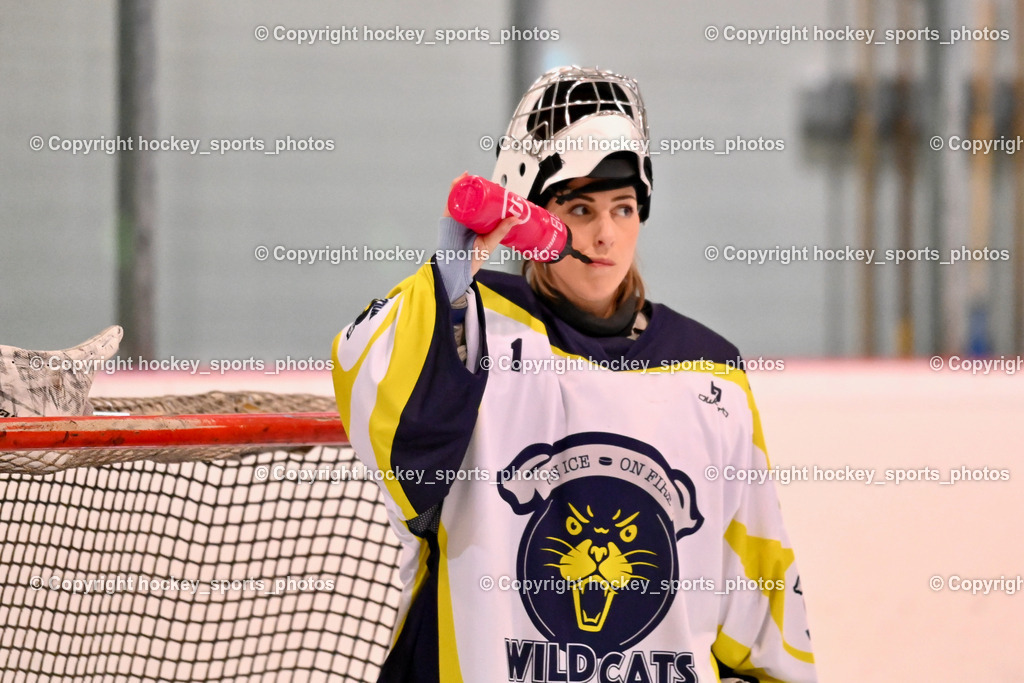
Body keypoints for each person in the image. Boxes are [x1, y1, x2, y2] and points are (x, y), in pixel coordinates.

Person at [332, 66, 817, 683]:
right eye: (580, 208)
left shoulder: (708, 372)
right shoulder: (474, 328)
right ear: (536, 221)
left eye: (623, 207)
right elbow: (395, 430)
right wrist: (452, 280)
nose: (606, 233)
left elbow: (755, 591)